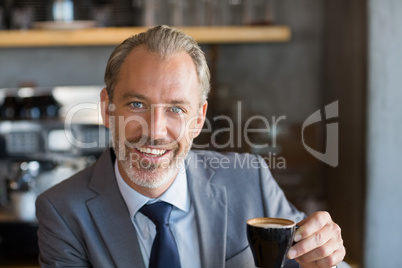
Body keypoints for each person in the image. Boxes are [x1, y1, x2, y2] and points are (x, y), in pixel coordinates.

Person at [36, 25, 348, 268]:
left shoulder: (249, 180)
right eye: (136, 103)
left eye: (176, 109)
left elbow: (311, 258)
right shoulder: (63, 211)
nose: (156, 131)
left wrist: (324, 259)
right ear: (107, 109)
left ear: (198, 120)